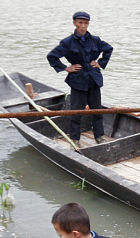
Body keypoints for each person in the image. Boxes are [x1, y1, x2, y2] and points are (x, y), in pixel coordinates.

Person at [46, 11, 113, 149]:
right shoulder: (67, 42)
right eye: (80, 23)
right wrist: (65, 68)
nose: (83, 26)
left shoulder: (95, 40)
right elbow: (52, 56)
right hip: (78, 80)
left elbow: (108, 49)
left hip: (93, 79)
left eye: (86, 23)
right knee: (76, 111)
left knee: (97, 110)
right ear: (75, 23)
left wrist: (100, 63)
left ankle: (99, 136)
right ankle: (75, 138)